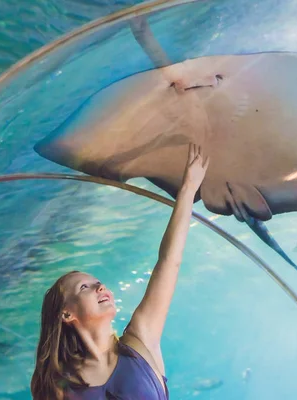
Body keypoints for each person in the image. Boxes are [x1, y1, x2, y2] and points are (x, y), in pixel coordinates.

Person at [31, 143, 210, 400]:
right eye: (84, 287)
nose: (100, 287)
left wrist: (188, 189)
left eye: (97, 283)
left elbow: (169, 262)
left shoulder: (141, 339)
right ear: (66, 313)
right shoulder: (57, 385)